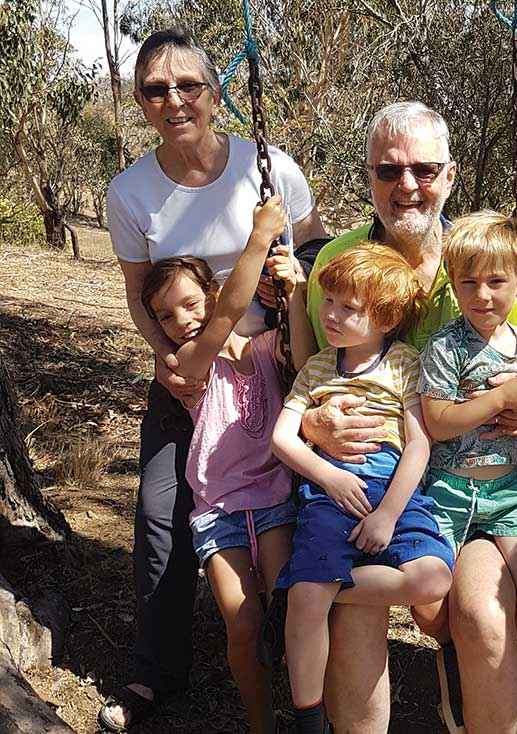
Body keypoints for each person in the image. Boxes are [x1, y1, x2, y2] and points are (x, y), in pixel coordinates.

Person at [99, 27, 327, 731]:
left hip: (274, 370)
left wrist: (301, 271)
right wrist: (168, 363)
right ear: (139, 102)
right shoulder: (131, 192)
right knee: (159, 515)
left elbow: (313, 243)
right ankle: (157, 670)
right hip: (188, 380)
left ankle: (310, 662)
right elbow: (140, 295)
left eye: (189, 85)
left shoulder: (268, 166)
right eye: (156, 90)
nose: (175, 101)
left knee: (303, 508)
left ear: (216, 89)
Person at [297, 101, 517, 732]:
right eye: (388, 170)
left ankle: (454, 670)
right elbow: (314, 368)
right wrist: (314, 427)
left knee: (478, 608)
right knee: (358, 609)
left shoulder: (480, 264)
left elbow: (509, 387)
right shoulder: (335, 264)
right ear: (368, 177)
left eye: (424, 170)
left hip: (461, 478)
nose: (407, 185)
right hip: (365, 469)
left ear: (449, 176)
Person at [130, 196, 309, 734]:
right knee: (243, 620)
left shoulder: (263, 349)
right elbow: (228, 313)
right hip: (221, 512)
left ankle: (307, 713)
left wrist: (294, 290)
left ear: (209, 294)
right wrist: (260, 237)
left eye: (189, 304)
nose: (179, 321)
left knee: (288, 609)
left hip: (274, 502)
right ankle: (262, 725)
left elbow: (301, 354)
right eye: (164, 315)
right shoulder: (186, 366)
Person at [269, 243, 455, 734]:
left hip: (394, 491)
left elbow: (418, 446)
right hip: (330, 493)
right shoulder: (318, 370)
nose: (331, 315)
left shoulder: (405, 365)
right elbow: (280, 438)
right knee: (309, 600)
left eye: (348, 308)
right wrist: (327, 475)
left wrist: (388, 514)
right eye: (328, 301)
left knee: (433, 579)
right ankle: (310, 719)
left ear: (386, 317)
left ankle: (321, 588)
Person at [413, 210, 517, 733]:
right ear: (453, 284)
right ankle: (460, 653)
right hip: (449, 491)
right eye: (468, 282)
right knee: (429, 612)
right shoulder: (445, 348)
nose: (483, 295)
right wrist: (496, 399)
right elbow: (439, 420)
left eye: (497, 281)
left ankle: (490, 655)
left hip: (510, 494)